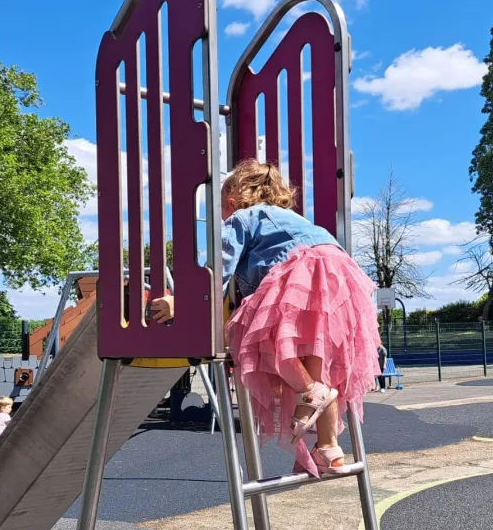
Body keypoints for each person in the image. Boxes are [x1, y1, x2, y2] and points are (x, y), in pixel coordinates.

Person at [149, 159, 380, 477]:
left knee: (261, 341)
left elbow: (218, 269)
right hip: (337, 280)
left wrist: (182, 301)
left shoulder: (240, 219)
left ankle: (310, 392)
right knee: (318, 360)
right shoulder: (297, 220)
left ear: (230, 201)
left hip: (298, 274)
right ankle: (328, 449)